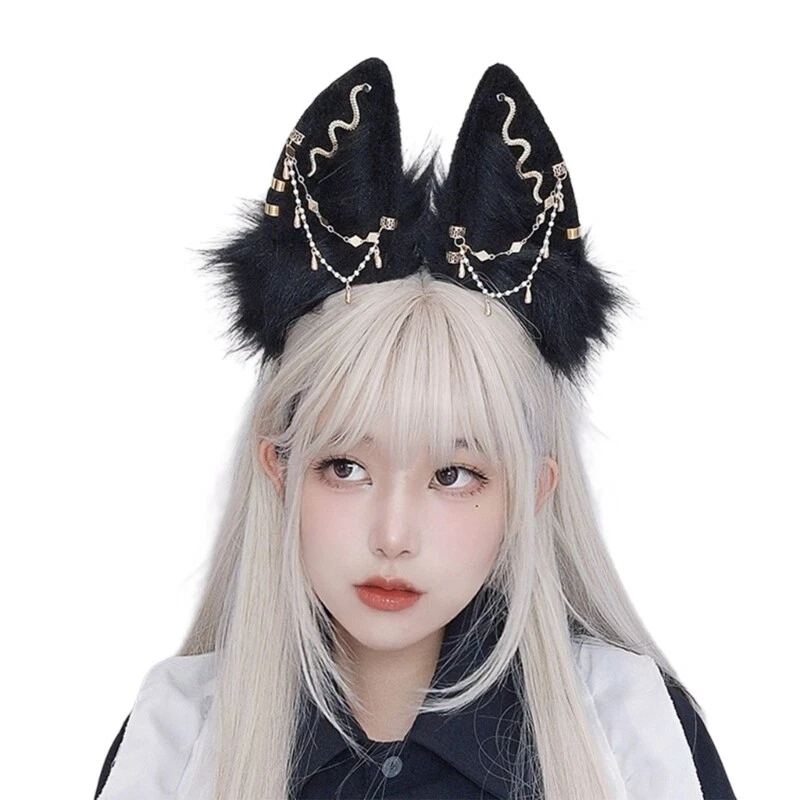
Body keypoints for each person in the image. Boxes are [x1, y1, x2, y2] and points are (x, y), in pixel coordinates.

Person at [93, 58, 736, 800]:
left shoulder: (633, 735)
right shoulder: (176, 744)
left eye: (453, 476)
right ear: (279, 470)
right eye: (345, 468)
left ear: (532, 492)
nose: (393, 536)